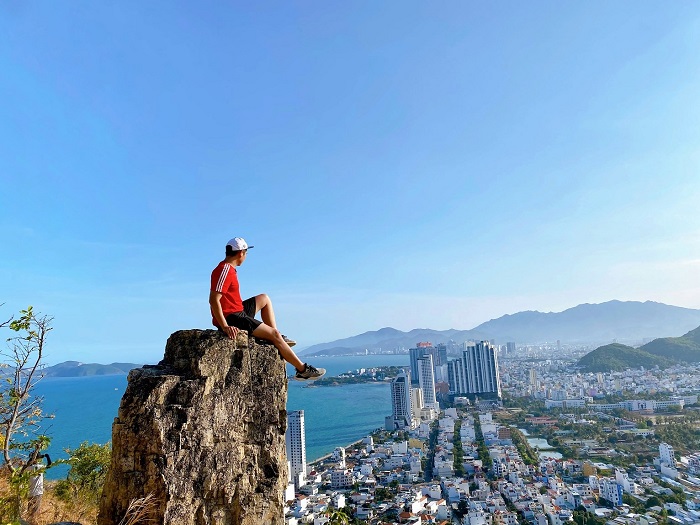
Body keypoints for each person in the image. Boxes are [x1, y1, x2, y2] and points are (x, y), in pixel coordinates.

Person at [209, 237, 326, 381]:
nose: (246, 256)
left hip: (238, 310)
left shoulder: (229, 269)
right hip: (233, 317)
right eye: (246, 252)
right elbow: (214, 300)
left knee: (264, 298)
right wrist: (225, 326)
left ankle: (275, 337)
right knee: (274, 334)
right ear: (240, 253)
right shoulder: (225, 270)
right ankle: (303, 370)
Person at [26, 450, 51, 525]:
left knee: (30, 510)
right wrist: (47, 456)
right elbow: (49, 465)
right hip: (38, 492)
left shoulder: (28, 468)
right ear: (38, 459)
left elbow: (27, 465)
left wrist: (32, 459)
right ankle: (33, 523)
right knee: (35, 511)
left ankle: (28, 522)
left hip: (30, 493)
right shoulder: (40, 467)